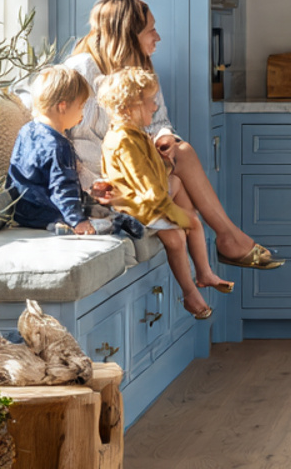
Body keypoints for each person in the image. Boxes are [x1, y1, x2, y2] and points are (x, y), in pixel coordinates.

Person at [64, 0, 282, 270]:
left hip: (137, 164)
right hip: (105, 183)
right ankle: (226, 245)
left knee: (180, 150)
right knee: (181, 180)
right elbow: (79, 145)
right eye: (150, 30)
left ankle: (220, 251)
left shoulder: (140, 68)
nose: (158, 37)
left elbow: (159, 121)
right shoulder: (82, 70)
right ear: (127, 35)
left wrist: (165, 137)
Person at [98, 67, 230, 320]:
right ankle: (192, 290)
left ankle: (203, 274)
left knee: (179, 188)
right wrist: (171, 213)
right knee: (184, 229)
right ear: (129, 107)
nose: (155, 107)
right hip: (135, 206)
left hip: (145, 198)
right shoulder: (124, 141)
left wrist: (164, 163)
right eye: (149, 102)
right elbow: (145, 187)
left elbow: (150, 174)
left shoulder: (134, 134)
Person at [6, 65, 141, 237]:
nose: (82, 114)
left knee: (87, 200)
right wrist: (78, 220)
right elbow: (62, 187)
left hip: (22, 211)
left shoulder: (26, 130)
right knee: (93, 221)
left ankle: (72, 220)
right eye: (81, 106)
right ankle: (113, 223)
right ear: (63, 106)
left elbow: (15, 172)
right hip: (49, 211)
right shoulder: (58, 145)